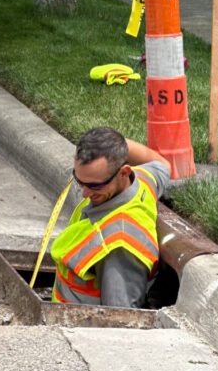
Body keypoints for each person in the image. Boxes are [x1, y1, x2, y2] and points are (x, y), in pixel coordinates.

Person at [50, 126, 171, 308]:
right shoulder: (143, 181)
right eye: (79, 181)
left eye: (95, 186)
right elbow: (163, 165)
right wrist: (111, 144)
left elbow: (120, 318)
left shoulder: (118, 246)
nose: (85, 193)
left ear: (124, 173)